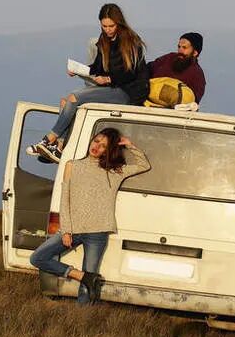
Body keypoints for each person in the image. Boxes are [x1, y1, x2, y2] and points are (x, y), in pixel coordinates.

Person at [29, 128, 150, 305]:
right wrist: (66, 230)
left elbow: (143, 165)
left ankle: (83, 314)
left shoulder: (115, 172)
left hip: (98, 232)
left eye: (103, 146)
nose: (97, 147)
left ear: (108, 151)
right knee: (38, 258)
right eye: (96, 141)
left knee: (87, 287)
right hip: (73, 230)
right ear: (91, 140)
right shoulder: (72, 165)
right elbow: (65, 199)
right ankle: (81, 276)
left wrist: (130, 145)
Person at [28, 3, 148, 163]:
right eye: (104, 26)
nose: (108, 30)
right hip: (111, 88)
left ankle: (48, 140)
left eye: (111, 26)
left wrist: (109, 79)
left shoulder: (131, 41)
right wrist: (79, 70)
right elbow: (98, 66)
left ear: (119, 23)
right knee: (65, 102)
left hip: (127, 92)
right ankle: (60, 147)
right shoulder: (104, 39)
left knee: (74, 97)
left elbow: (131, 72)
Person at [147, 32, 206, 103]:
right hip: (144, 101)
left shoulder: (198, 75)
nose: (180, 50)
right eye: (179, 47)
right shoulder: (168, 58)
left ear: (195, 53)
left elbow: (191, 103)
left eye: (184, 47)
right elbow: (147, 69)